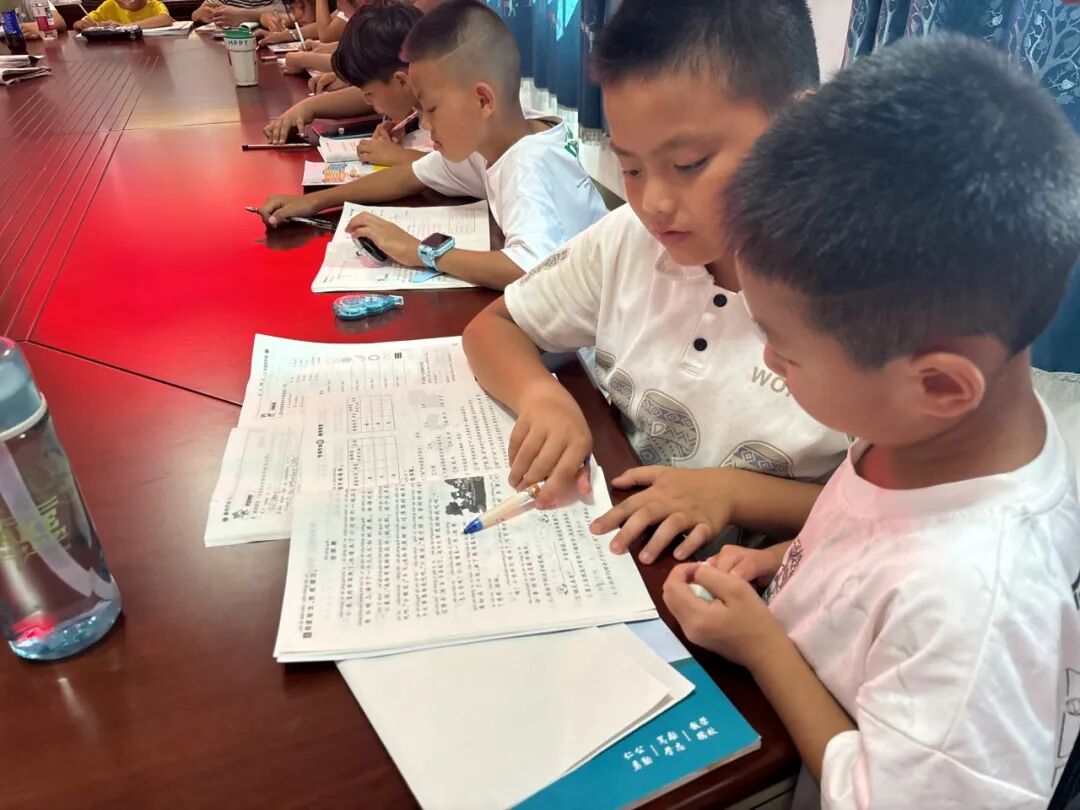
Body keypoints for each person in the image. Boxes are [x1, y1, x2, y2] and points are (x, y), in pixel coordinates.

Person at [663, 35, 1080, 809]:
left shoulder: (975, 607)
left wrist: (763, 647)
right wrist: (781, 564)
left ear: (939, 385)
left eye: (785, 351)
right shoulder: (929, 429)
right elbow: (870, 537)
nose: (770, 362)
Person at [462, 0, 846, 562]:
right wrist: (541, 397)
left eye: (688, 164)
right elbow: (495, 326)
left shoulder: (869, 299)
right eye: (632, 168)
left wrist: (735, 494)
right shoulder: (630, 240)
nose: (654, 203)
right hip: (628, 553)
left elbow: (905, 513)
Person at [257, 0, 607, 291]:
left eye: (432, 109)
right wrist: (313, 202)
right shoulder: (495, 136)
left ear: (483, 100)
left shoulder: (527, 165)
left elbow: (529, 268)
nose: (423, 124)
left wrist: (420, 252)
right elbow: (411, 175)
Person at [329, 0, 431, 166]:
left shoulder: (459, 105)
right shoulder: (426, 101)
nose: (367, 101)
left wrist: (399, 156)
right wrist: (405, 127)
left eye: (369, 94)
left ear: (402, 81)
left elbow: (464, 170)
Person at [73, 0, 173, 29]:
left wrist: (123, 27)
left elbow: (165, 19)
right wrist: (87, 25)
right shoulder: (110, 4)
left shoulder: (153, 5)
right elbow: (78, 23)